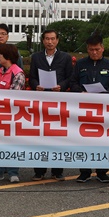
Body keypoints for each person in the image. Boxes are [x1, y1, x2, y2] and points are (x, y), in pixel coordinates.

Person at [70, 33, 109, 183]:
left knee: (103, 141)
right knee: (83, 140)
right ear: (87, 49)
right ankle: (84, 171)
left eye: (97, 49)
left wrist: (104, 94)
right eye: (91, 50)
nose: (94, 52)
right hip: (83, 108)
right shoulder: (81, 64)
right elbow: (73, 82)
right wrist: (81, 92)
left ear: (102, 48)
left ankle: (102, 171)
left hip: (103, 109)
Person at [29, 29, 73, 182]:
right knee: (40, 136)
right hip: (41, 100)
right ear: (43, 41)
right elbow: (32, 77)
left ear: (57, 40)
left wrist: (61, 85)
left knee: (58, 136)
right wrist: (36, 85)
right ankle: (39, 171)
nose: (50, 42)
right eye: (47, 39)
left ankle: (57, 171)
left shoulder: (65, 57)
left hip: (58, 100)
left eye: (53, 39)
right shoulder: (36, 57)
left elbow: (69, 77)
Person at [0, 44, 26, 183]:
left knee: (12, 143)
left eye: (0, 55)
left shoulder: (18, 73)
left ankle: (13, 172)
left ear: (7, 56)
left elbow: (15, 94)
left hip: (12, 114)